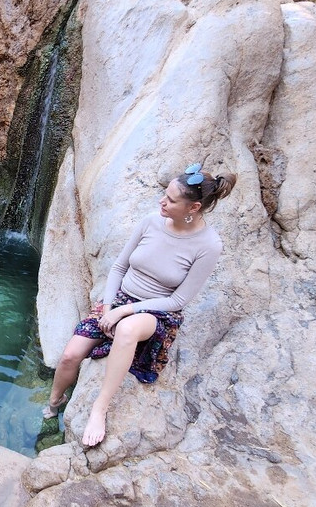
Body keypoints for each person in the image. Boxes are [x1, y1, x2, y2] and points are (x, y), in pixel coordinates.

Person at [43, 164, 236, 447]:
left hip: (156, 311)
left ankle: (100, 408)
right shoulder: (150, 221)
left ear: (193, 207)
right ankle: (55, 400)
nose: (162, 201)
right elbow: (119, 267)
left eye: (171, 200)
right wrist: (109, 306)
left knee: (127, 330)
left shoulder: (209, 245)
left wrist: (124, 311)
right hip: (120, 299)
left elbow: (178, 300)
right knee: (70, 355)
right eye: (164, 194)